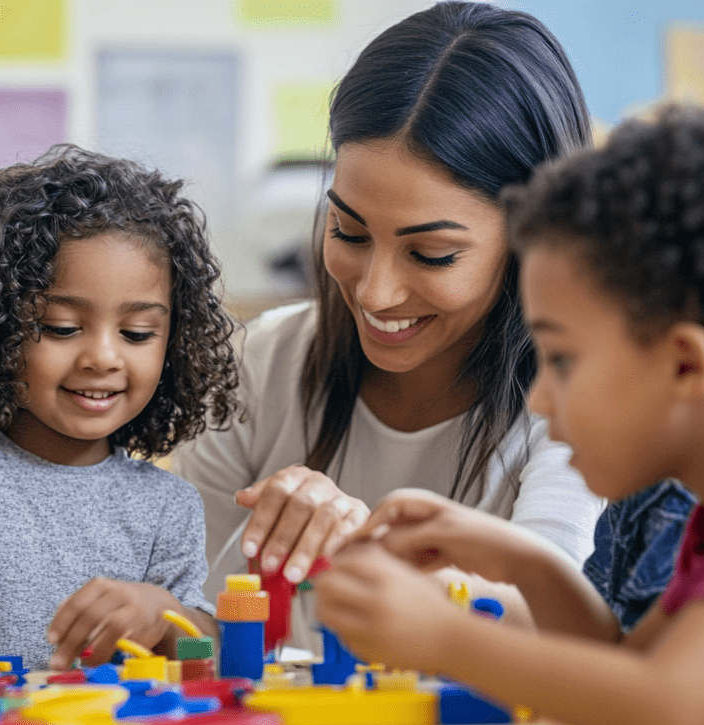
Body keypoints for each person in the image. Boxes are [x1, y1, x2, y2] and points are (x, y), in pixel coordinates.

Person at [316, 106, 704, 725]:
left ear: (685, 364)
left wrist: (443, 637)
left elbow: (669, 706)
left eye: (562, 359)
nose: (538, 398)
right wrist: (520, 561)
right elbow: (622, 665)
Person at [172, 2, 603, 635]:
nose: (375, 294)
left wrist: (362, 549)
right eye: (347, 231)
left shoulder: (574, 402)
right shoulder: (258, 368)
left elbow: (553, 618)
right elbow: (193, 613)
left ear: (531, 241)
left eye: (430, 254)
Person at [0, 145, 241, 672]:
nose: (103, 356)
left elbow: (205, 658)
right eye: (61, 327)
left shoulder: (167, 509)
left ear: (172, 344)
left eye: (137, 333)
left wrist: (173, 619)